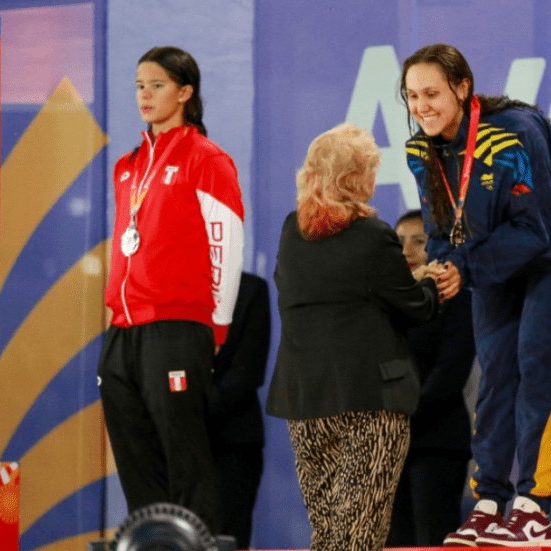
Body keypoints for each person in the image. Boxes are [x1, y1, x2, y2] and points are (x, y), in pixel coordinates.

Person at [400, 43, 551, 547]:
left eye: (431, 93)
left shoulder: (515, 130)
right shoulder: (420, 150)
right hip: (492, 255)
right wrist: (444, 266)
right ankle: (489, 503)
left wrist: (462, 265)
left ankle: (533, 509)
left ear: (462, 88)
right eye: (411, 96)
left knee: (539, 365)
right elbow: (440, 231)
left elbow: (533, 230)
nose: (421, 106)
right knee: (495, 374)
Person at [265, 123, 446, 551]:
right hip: (369, 401)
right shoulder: (372, 236)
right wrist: (434, 282)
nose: (373, 180)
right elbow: (415, 306)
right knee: (359, 534)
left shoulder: (293, 231)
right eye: (369, 170)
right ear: (354, 178)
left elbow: (338, 292)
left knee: (328, 533)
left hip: (305, 401)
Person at [98, 45, 245, 536]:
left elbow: (226, 245)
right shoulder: (127, 166)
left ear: (185, 92)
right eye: (139, 84)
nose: (144, 94)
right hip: (123, 329)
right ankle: (153, 545)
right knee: (135, 458)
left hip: (178, 327)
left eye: (157, 85)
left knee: (185, 458)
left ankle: (193, 546)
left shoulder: (207, 158)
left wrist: (216, 326)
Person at [386, 210, 476, 547]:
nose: (406, 250)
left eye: (418, 241)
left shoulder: (455, 297)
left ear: (437, 247)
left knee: (432, 539)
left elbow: (451, 370)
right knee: (393, 541)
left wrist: (402, 412)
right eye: (398, 242)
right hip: (389, 444)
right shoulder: (382, 300)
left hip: (436, 439)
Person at [210, 271, 270, 550]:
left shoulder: (250, 289)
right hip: (182, 443)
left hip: (233, 440)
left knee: (228, 537)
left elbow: (249, 370)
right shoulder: (176, 289)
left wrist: (193, 411)